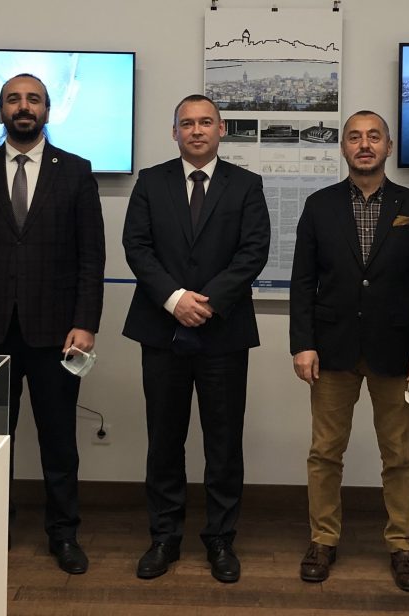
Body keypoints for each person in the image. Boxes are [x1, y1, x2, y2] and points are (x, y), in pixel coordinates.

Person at [0, 73, 105, 575]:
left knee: (59, 441)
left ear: (47, 111)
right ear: (0, 112)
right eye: (13, 99)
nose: (23, 106)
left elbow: (91, 257)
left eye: (33, 99)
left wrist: (86, 323)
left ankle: (64, 534)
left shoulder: (75, 172)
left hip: (58, 334)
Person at [289, 110, 409, 592]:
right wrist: (303, 344)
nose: (364, 145)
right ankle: (323, 539)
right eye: (354, 137)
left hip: (395, 352)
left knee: (399, 455)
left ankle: (403, 545)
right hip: (331, 349)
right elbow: (303, 282)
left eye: (374, 137)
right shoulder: (319, 205)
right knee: (324, 453)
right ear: (343, 147)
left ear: (388, 147)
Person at [122, 94, 270, 584]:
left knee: (223, 443)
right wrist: (174, 299)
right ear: (175, 132)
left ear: (221, 129)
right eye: (187, 124)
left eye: (206, 122)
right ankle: (164, 537)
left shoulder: (246, 184)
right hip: (161, 329)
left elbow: (253, 252)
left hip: (223, 331)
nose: (197, 130)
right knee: (164, 439)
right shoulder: (151, 181)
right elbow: (136, 247)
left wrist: (205, 302)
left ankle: (221, 539)